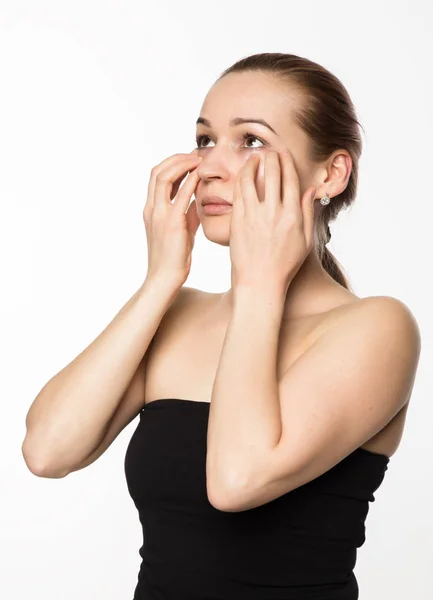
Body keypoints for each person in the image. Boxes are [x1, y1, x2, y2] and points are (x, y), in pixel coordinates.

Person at [23, 53, 421, 599]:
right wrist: (161, 280)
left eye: (251, 140)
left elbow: (236, 481)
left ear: (330, 173)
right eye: (205, 139)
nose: (209, 165)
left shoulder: (377, 327)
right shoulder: (179, 315)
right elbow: (48, 451)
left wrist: (259, 284)